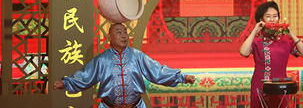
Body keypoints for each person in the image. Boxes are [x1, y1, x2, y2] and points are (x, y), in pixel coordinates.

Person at [53, 23, 196, 108]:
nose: (123, 35)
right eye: (119, 32)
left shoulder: (137, 56)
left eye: (125, 32)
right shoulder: (102, 60)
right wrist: (65, 83)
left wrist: (182, 77)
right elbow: (85, 76)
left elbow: (157, 71)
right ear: (110, 37)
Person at [239, 1, 303, 108]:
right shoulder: (257, 39)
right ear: (261, 20)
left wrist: (292, 34)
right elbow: (243, 52)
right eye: (268, 16)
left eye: (275, 16)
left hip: (281, 85)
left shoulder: (285, 40)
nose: (272, 19)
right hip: (261, 85)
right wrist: (254, 31)